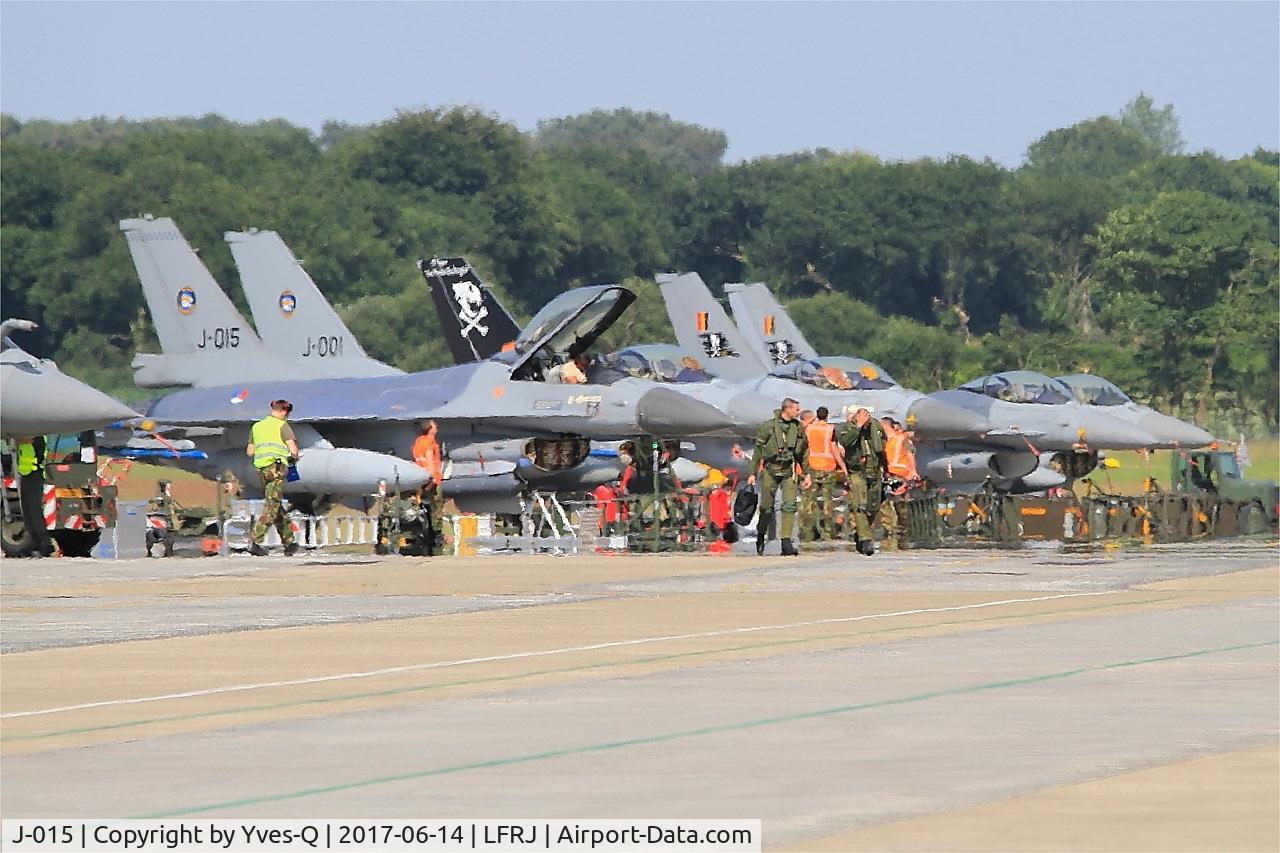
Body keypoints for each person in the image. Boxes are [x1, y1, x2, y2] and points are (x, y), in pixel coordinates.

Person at [748, 397, 807, 556]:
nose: (798, 412)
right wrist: (752, 473)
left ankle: (786, 542)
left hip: (789, 470)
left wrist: (806, 473)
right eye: (796, 409)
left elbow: (803, 452)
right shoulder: (767, 427)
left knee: (789, 506)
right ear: (786, 409)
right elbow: (758, 452)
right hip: (771, 470)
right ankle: (761, 534)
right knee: (766, 507)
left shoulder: (798, 428)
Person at [245, 399, 301, 556]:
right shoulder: (282, 426)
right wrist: (294, 457)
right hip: (276, 469)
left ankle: (289, 542)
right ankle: (255, 541)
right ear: (284, 411)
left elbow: (250, 451)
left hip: (262, 470)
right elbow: (293, 449)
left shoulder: (257, 426)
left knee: (274, 504)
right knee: (271, 506)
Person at [839, 407, 887, 556]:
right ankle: (866, 540)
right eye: (863, 419)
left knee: (873, 506)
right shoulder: (847, 428)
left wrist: (885, 467)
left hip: (874, 471)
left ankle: (860, 533)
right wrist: (858, 427)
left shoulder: (876, 426)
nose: (866, 422)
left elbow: (883, 444)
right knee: (860, 505)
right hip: (857, 471)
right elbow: (845, 442)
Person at [801, 407, 847, 542]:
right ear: (827, 416)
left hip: (813, 467)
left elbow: (804, 448)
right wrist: (843, 466)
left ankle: (807, 533)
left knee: (809, 502)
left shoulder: (809, 429)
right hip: (828, 468)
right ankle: (827, 533)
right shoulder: (830, 429)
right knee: (828, 502)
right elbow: (834, 450)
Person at [879, 417, 920, 551]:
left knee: (901, 505)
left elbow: (910, 454)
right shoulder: (883, 441)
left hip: (901, 475)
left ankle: (904, 530)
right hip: (888, 476)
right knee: (886, 504)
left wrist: (913, 471)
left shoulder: (901, 438)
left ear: (887, 426)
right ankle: (889, 531)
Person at [12, 436, 53, 557]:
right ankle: (34, 541)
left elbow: (27, 441)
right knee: (27, 510)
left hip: (35, 475)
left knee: (35, 511)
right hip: (26, 474)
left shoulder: (38, 436)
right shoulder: (27, 435)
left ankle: (46, 544)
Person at [412, 420, 445, 554]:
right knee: (435, 511)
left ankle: (424, 534)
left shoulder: (418, 442)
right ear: (430, 429)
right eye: (434, 425)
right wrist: (432, 481)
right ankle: (435, 537)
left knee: (423, 508)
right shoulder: (430, 444)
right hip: (432, 481)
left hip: (420, 480)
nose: (436, 427)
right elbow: (430, 462)